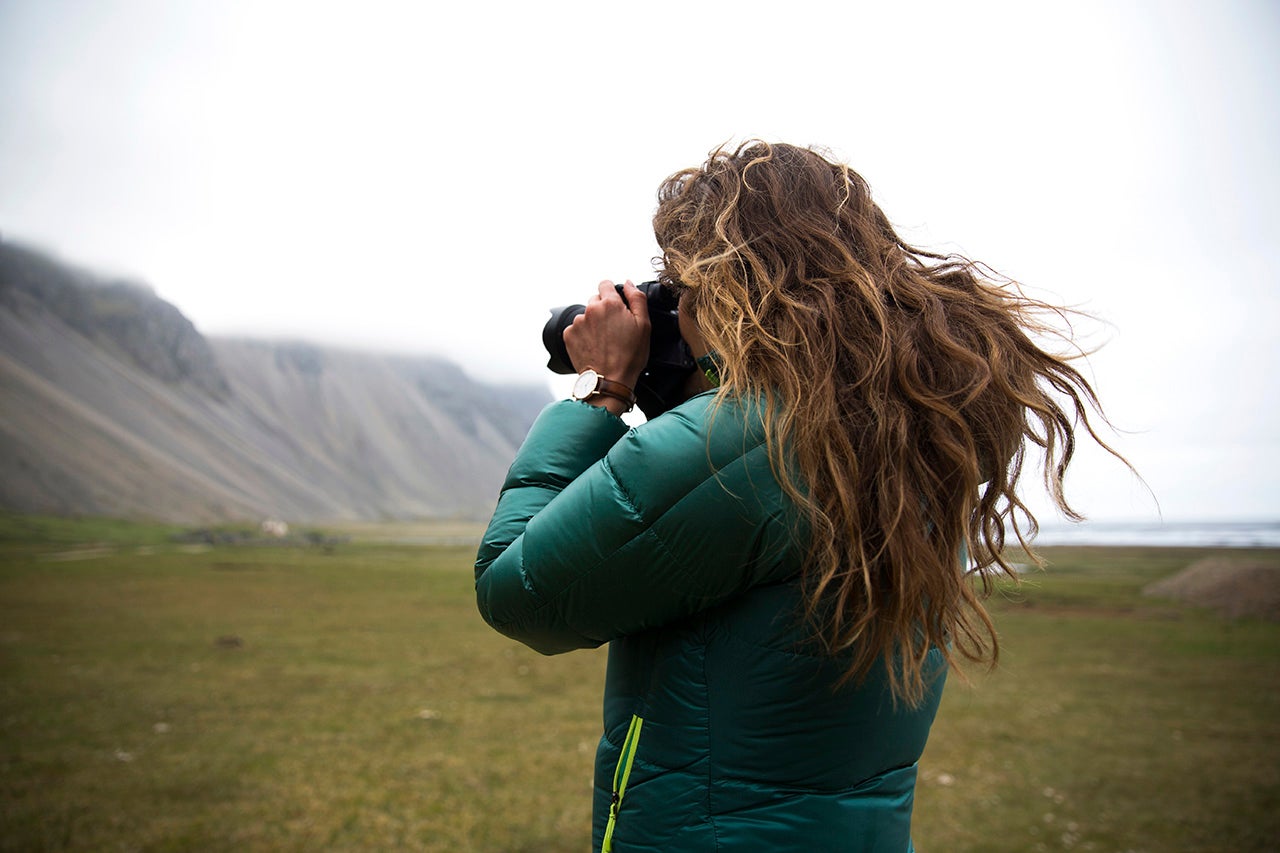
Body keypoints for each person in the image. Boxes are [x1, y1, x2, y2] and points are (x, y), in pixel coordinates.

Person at [474, 141, 1122, 851]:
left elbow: (517, 589)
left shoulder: (740, 443)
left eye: (686, 289)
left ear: (735, 287)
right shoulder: (914, 424)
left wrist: (605, 390)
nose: (677, 312)